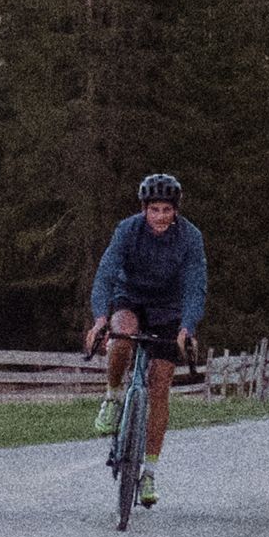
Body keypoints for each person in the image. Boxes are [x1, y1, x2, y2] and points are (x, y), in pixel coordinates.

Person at [82, 171, 206, 510]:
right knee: (121, 337)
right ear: (144, 209)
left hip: (168, 306)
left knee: (160, 382)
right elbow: (106, 272)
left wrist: (187, 326)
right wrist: (99, 318)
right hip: (131, 296)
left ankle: (149, 471)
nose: (161, 217)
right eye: (155, 210)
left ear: (176, 210)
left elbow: (196, 284)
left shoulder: (190, 237)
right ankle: (112, 397)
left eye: (167, 210)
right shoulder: (127, 230)